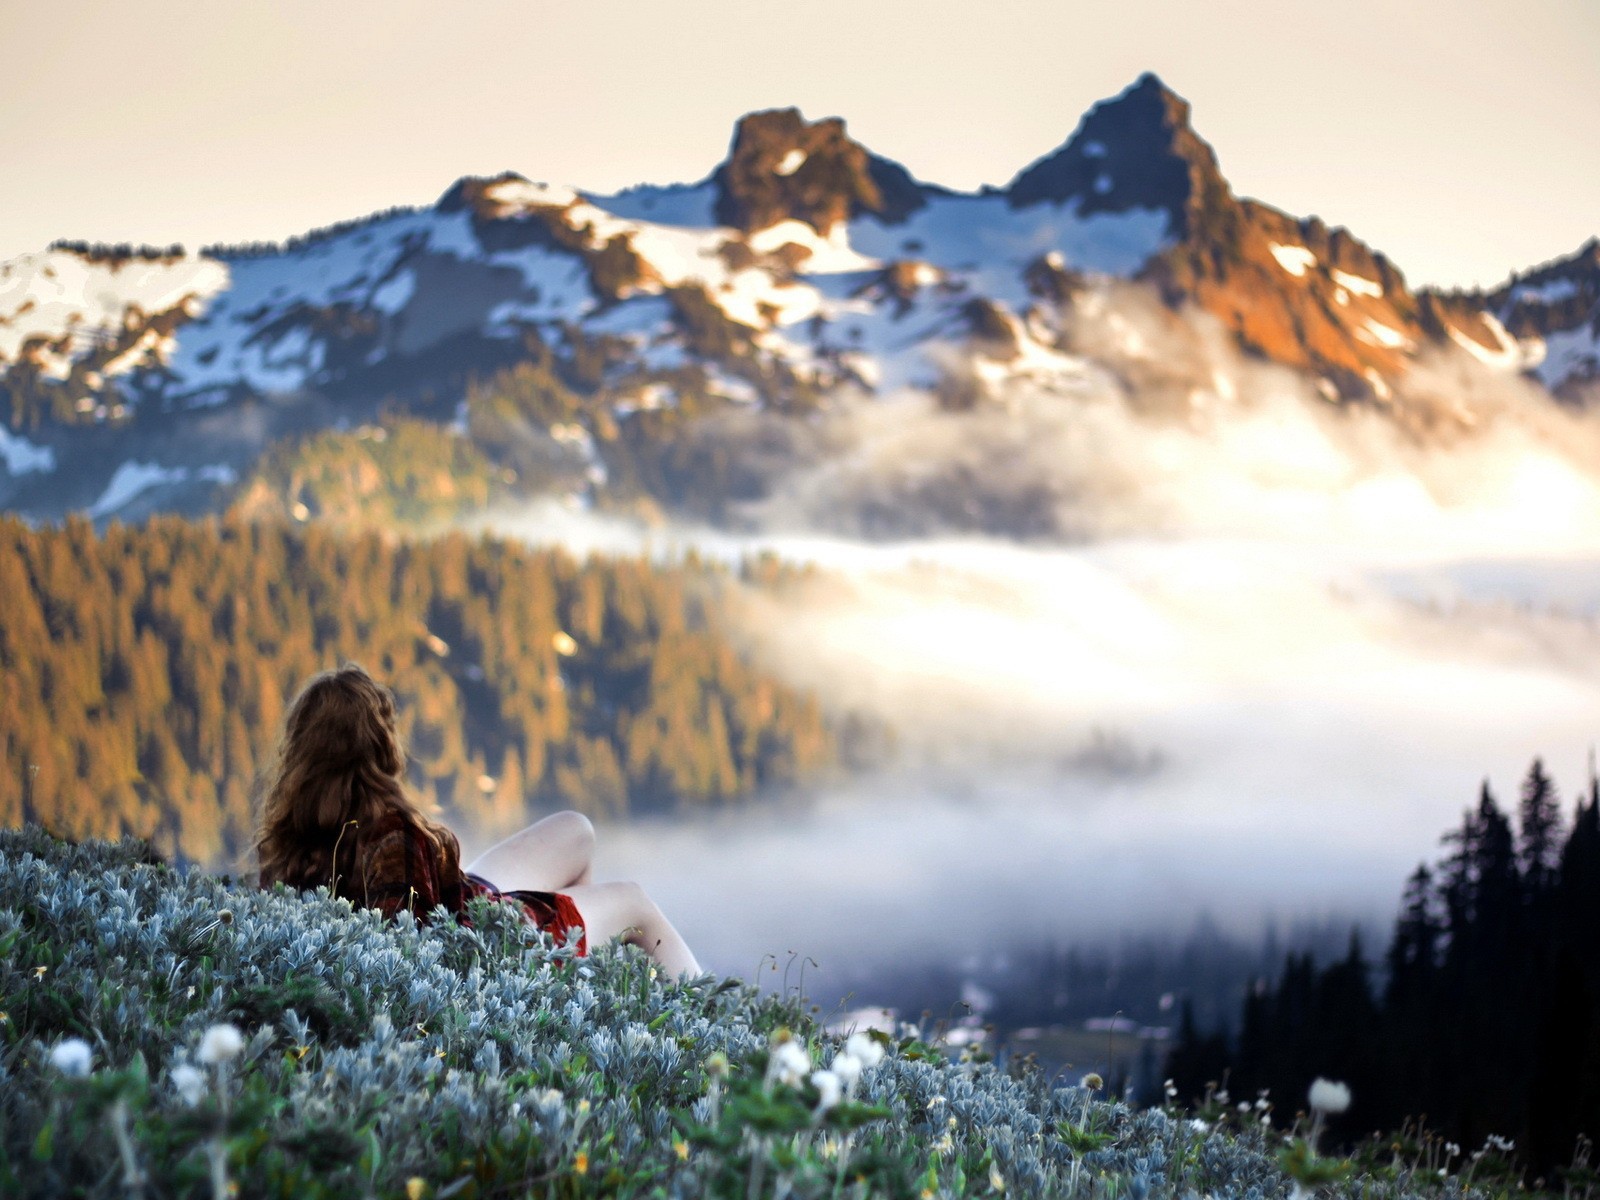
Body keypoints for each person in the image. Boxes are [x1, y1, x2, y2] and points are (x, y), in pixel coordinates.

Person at [253, 662, 700, 976]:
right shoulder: (392, 834)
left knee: (576, 830)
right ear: (380, 744)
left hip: (464, 901)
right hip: (494, 943)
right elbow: (414, 949)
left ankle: (580, 975)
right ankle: (727, 1039)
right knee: (634, 901)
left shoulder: (291, 837)